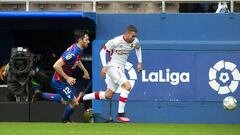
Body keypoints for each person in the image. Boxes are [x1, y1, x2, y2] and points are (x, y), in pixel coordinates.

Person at [82, 25, 142, 122]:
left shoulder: (135, 42)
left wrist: (140, 62)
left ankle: (84, 97)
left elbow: (138, 48)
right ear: (126, 34)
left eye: (135, 36)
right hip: (112, 67)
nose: (134, 38)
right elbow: (102, 52)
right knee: (127, 86)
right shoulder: (116, 41)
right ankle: (120, 113)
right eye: (132, 36)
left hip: (120, 69)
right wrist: (105, 66)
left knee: (108, 95)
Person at [35, 30, 90, 123]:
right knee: (74, 103)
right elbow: (56, 65)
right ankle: (65, 119)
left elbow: (77, 60)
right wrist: (67, 78)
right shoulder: (72, 53)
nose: (88, 41)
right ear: (80, 40)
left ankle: (40, 95)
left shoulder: (79, 49)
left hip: (63, 80)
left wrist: (85, 71)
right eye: (87, 39)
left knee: (66, 101)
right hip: (59, 81)